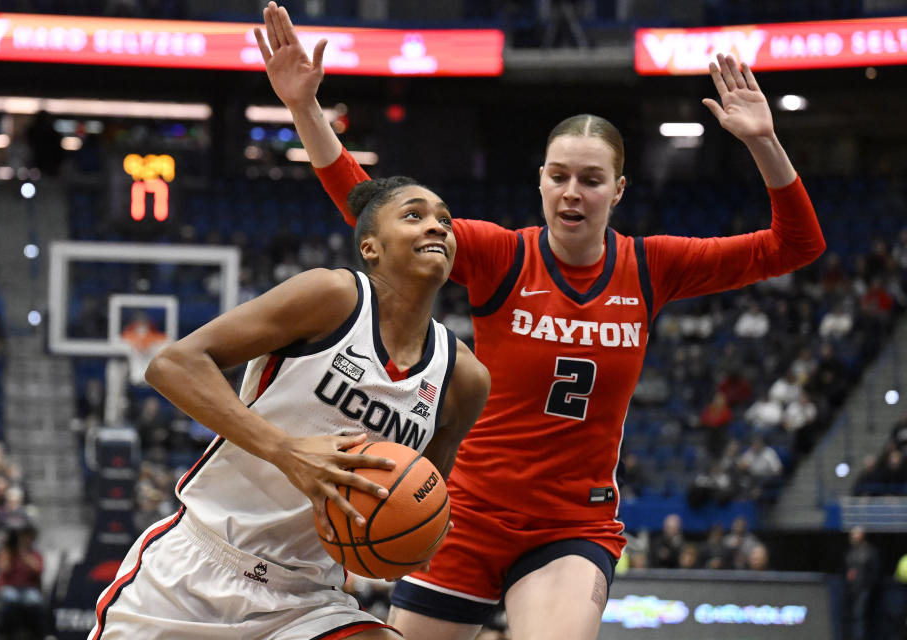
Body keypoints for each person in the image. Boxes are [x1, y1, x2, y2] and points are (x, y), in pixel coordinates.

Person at [255, 5, 825, 638]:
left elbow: (795, 245)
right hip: (464, 511)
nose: (572, 192)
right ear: (541, 182)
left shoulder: (653, 265)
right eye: (559, 177)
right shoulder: (502, 253)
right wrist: (305, 108)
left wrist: (762, 141)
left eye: (591, 179)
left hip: (570, 525)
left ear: (618, 191)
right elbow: (371, 210)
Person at [88, 177, 490, 639]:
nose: (437, 227)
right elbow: (172, 364)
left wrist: (416, 539)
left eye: (445, 220)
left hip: (308, 600)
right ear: (370, 247)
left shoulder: (463, 379)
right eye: (414, 215)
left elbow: (421, 496)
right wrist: (287, 451)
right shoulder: (332, 297)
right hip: (198, 568)